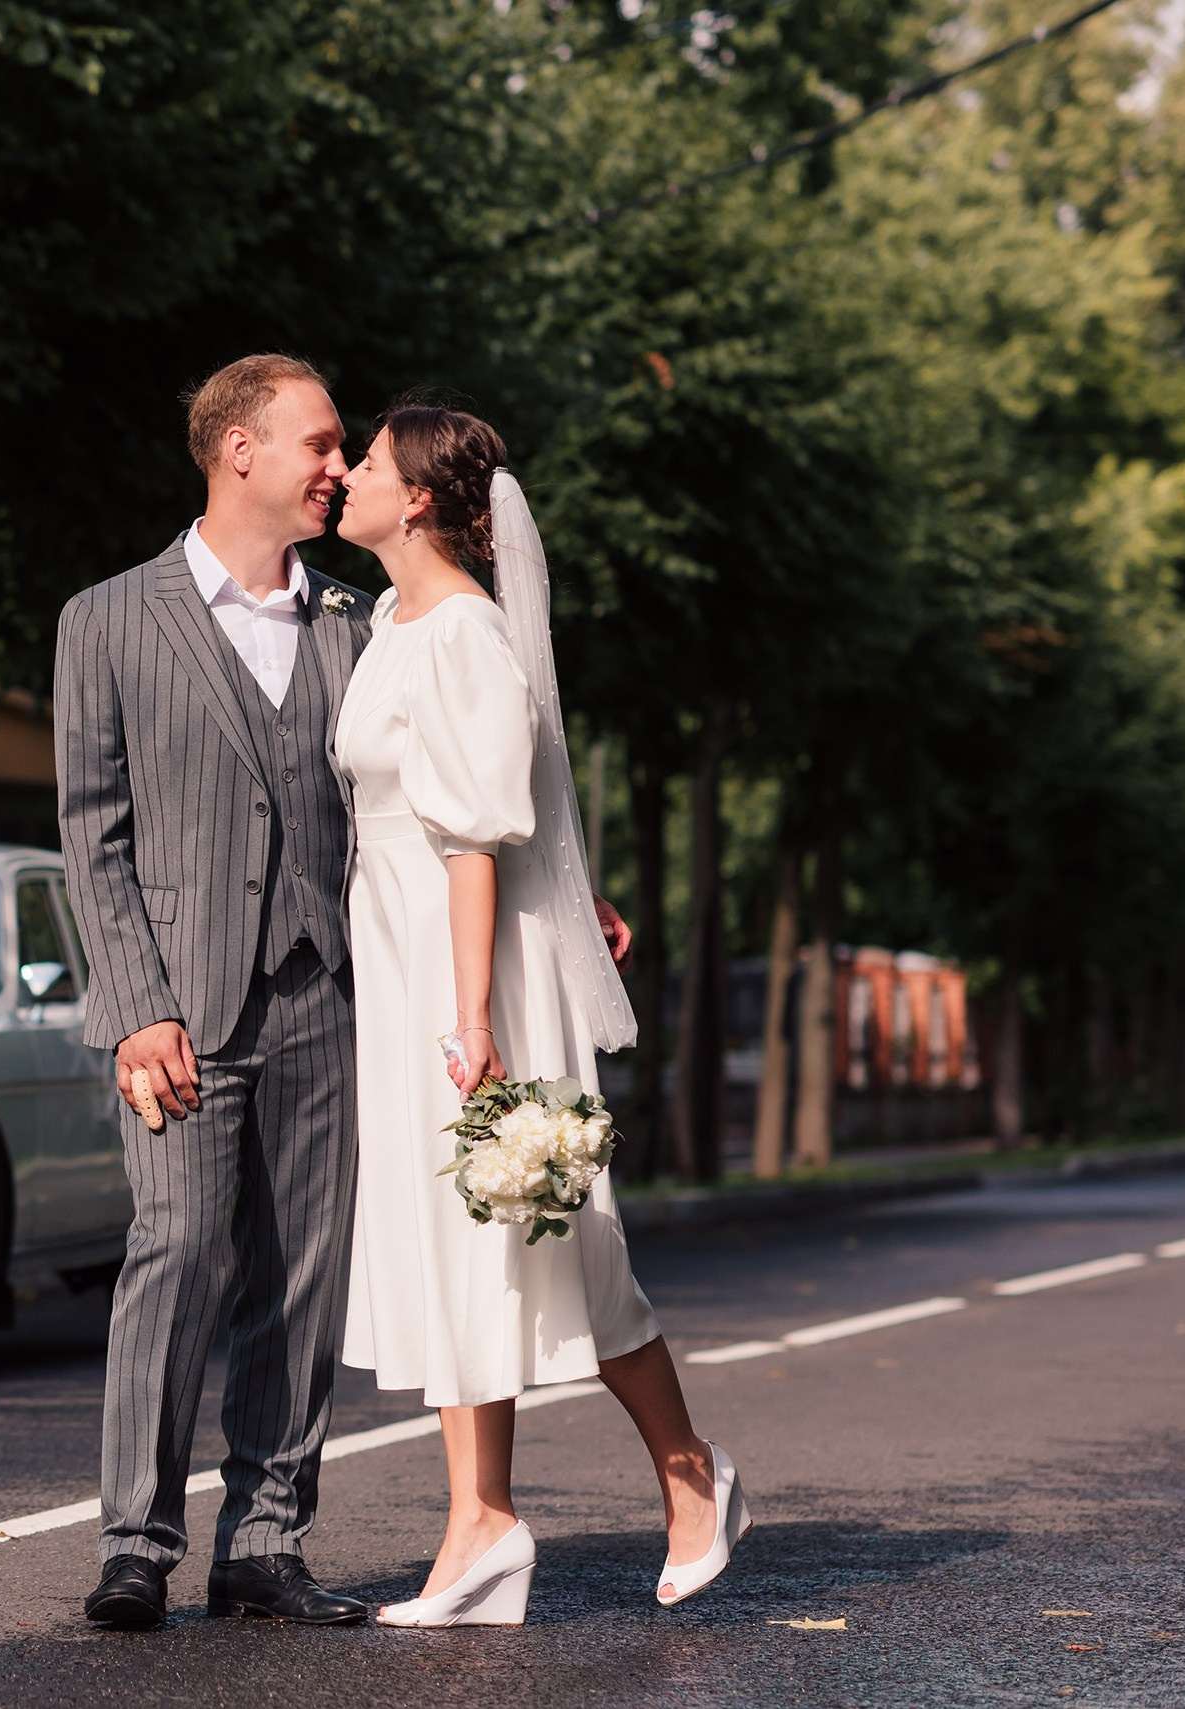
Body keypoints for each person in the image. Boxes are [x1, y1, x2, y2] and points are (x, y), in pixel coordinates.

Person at [328, 401, 750, 1627]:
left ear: (413, 496)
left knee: (550, 1234)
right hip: (408, 954)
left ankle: (691, 1478)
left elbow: (473, 836)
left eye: (363, 460)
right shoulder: (390, 625)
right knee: (460, 1242)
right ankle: (479, 1526)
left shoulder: (461, 631)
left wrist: (470, 1015)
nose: (345, 476)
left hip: (466, 966)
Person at [54, 353, 378, 1628]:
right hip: (178, 1006)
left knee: (302, 1269)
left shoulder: (354, 622)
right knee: (178, 1249)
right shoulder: (107, 618)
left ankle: (266, 1537)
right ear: (237, 450)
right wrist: (134, 1004)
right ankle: (137, 1538)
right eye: (320, 442)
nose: (338, 467)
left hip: (324, 991)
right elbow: (94, 830)